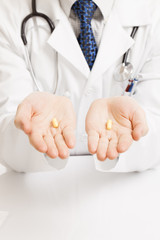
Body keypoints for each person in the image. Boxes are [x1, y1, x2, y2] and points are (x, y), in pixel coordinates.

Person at [0, 0, 160, 173]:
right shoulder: (7, 14)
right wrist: (29, 128)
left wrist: (135, 125)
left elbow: (156, 131)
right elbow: (6, 136)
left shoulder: (153, 13)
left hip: (130, 191)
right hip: (38, 192)